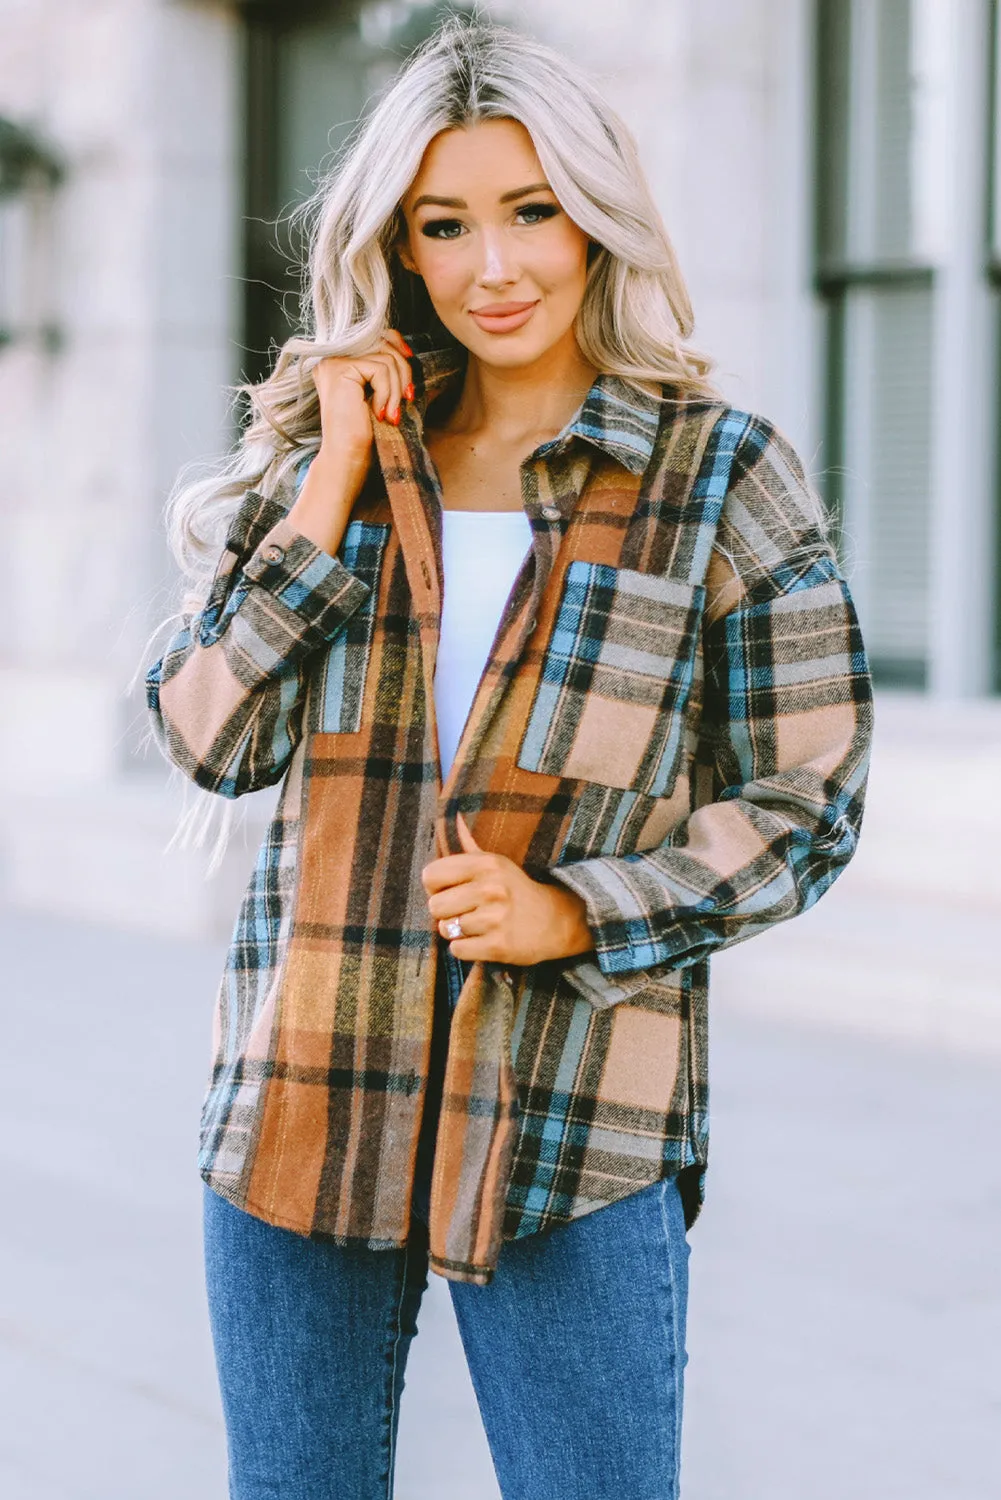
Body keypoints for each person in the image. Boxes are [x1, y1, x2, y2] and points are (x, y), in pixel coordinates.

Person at [146, 15, 873, 1500]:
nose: (495, 266)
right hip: (305, 1098)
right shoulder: (333, 462)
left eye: (532, 211)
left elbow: (811, 799)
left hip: (573, 1115)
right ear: (399, 250)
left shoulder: (717, 473)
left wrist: (580, 911)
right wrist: (333, 482)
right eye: (445, 224)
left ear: (596, 217)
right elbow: (210, 738)